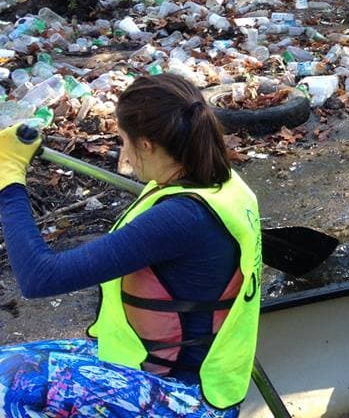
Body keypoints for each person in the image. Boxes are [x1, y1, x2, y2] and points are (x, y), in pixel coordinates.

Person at [0, 74, 261, 417]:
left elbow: (39, 278)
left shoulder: (181, 218)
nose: (125, 155)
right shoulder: (223, 183)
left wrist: (9, 177)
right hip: (156, 366)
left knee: (8, 385)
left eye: (124, 141)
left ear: (148, 144)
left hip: (185, 398)